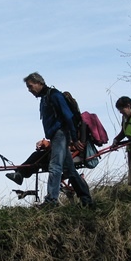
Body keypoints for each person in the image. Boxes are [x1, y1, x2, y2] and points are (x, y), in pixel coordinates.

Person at [23, 72, 93, 207]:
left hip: (60, 134)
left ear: (39, 83)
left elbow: (68, 116)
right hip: (55, 135)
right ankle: (86, 199)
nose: (29, 90)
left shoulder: (54, 95)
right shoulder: (45, 98)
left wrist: (74, 137)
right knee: (70, 170)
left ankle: (51, 201)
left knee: (55, 166)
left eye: (31, 86)